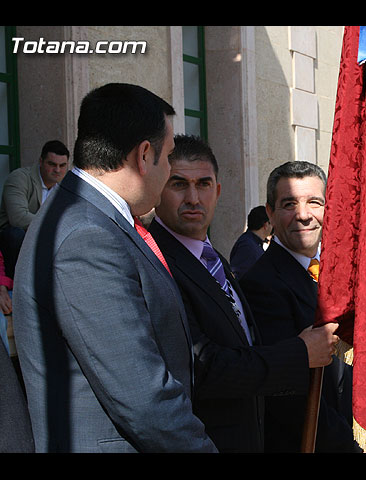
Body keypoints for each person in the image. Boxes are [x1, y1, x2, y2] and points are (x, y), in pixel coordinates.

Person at [13, 83, 216, 453]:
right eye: (168, 156)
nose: (169, 168)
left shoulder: (92, 217)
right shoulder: (87, 235)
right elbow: (143, 397)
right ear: (143, 155)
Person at [148, 135, 339, 452]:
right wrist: (300, 353)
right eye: (179, 184)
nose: (194, 198)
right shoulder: (155, 262)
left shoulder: (213, 259)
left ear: (218, 191)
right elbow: (204, 367)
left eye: (204, 184)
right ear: (157, 189)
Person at [240, 160, 360, 453]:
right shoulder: (261, 284)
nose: (303, 215)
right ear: (270, 213)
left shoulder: (343, 271)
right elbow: (290, 397)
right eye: (289, 204)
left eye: (314, 202)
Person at [0, 140, 69, 278]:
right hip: (11, 242)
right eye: (52, 164)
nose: (57, 170)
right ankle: (15, 283)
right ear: (41, 161)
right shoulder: (19, 178)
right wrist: (54, 226)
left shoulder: (66, 186)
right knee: (16, 234)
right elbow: (18, 218)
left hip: (44, 240)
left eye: (62, 165)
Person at [229, 205, 271, 279]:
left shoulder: (252, 243)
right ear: (266, 225)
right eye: (271, 222)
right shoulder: (247, 245)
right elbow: (238, 277)